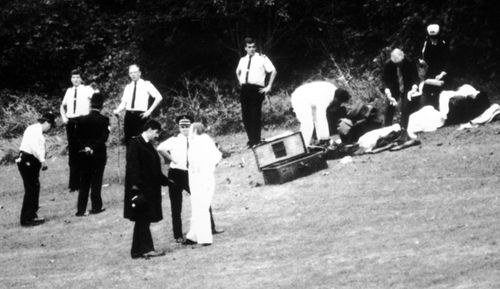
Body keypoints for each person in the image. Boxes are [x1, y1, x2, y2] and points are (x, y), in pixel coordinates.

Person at [157, 115, 224, 243]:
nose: (184, 129)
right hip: (176, 173)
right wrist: (171, 159)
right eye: (182, 126)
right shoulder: (174, 139)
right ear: (178, 127)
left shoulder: (197, 139)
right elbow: (160, 148)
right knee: (176, 205)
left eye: (187, 126)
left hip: (191, 175)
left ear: (191, 126)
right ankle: (177, 235)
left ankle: (211, 227)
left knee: (202, 200)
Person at [123, 120, 168, 259]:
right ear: (149, 129)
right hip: (142, 190)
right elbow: (133, 168)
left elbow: (153, 167)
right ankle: (147, 249)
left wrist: (165, 181)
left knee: (143, 220)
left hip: (150, 188)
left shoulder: (147, 144)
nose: (157, 136)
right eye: (156, 132)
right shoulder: (135, 143)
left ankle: (137, 251)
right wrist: (136, 190)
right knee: (143, 219)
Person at [183, 122, 222, 246]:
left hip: (201, 178)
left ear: (195, 131)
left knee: (201, 207)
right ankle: (193, 236)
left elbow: (211, 158)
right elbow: (217, 156)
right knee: (198, 207)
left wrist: (204, 169)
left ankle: (205, 238)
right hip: (201, 178)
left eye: (191, 130)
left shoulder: (200, 141)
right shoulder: (202, 141)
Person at [235, 37, 277, 147]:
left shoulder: (262, 58)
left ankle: (256, 140)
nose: (252, 49)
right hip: (245, 90)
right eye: (249, 47)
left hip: (256, 89)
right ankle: (251, 140)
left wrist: (269, 86)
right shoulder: (242, 60)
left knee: (255, 115)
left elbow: (273, 71)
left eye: (253, 46)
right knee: (246, 116)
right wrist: (240, 81)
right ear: (245, 48)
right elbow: (237, 71)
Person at [16, 112, 56, 226]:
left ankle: (32, 214)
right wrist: (42, 160)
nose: (50, 129)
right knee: (31, 188)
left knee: (34, 187)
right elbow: (34, 147)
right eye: (51, 126)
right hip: (28, 159)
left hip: (27, 159)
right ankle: (27, 218)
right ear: (47, 122)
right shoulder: (36, 131)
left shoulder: (32, 128)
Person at [74, 92, 109, 216]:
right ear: (102, 105)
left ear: (90, 104)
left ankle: (80, 209)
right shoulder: (104, 120)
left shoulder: (82, 119)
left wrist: (86, 147)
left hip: (84, 154)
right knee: (96, 180)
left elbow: (77, 137)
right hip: (98, 153)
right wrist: (93, 147)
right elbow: (104, 137)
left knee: (84, 181)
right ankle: (96, 207)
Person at [60, 69, 94, 192]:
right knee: (73, 153)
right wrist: (64, 117)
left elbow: (97, 101)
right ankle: (73, 184)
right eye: (73, 77)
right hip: (71, 122)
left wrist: (91, 116)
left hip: (83, 122)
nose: (75, 79)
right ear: (71, 79)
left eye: (78, 77)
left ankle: (85, 182)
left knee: (84, 151)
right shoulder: (69, 91)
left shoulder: (87, 89)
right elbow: (62, 106)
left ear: (81, 79)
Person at [113, 64, 163, 145]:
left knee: (142, 141)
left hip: (141, 116)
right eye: (131, 73)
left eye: (135, 72)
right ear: (129, 74)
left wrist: (149, 111)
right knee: (129, 141)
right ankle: (131, 157)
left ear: (139, 73)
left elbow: (159, 97)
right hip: (129, 116)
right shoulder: (128, 87)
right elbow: (124, 103)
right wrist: (118, 110)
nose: (133, 75)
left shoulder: (146, 84)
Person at [290, 81, 351, 146]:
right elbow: (321, 116)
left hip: (310, 98)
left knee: (315, 120)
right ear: (336, 99)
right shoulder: (326, 98)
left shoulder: (335, 92)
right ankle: (303, 146)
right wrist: (325, 137)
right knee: (308, 123)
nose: (339, 104)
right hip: (300, 98)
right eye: (339, 102)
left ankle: (317, 141)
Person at [382, 48, 419, 129]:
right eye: (396, 64)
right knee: (390, 107)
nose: (398, 65)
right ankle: (387, 127)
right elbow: (385, 80)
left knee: (406, 106)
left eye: (399, 63)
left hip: (407, 86)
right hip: (394, 87)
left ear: (403, 59)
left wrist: (414, 87)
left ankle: (403, 128)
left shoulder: (410, 62)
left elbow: (416, 78)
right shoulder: (388, 64)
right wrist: (387, 91)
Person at [419, 24, 450, 109]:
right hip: (431, 69)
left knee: (440, 92)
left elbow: (448, 61)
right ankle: (423, 109)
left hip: (442, 71)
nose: (433, 39)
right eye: (431, 37)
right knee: (426, 90)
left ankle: (439, 109)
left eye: (435, 37)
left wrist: (442, 74)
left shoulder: (444, 43)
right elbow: (424, 57)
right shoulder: (427, 42)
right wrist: (423, 64)